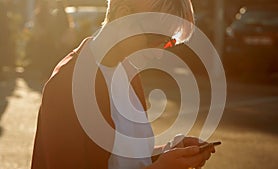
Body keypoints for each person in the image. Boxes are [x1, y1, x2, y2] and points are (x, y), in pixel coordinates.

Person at [31, 0, 217, 169]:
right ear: (122, 14)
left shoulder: (128, 73)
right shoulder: (66, 85)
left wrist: (168, 152)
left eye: (168, 43)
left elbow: (123, 159)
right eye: (154, 38)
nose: (159, 54)